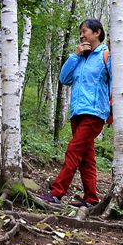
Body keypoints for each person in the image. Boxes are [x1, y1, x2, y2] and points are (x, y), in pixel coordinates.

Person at [39, 19, 111, 208]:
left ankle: (56, 193)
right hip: (77, 113)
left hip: (95, 113)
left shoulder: (106, 55)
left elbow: (116, 80)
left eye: (84, 31)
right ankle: (91, 199)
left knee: (73, 151)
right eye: (80, 32)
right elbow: (64, 78)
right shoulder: (80, 58)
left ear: (97, 32)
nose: (81, 35)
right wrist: (75, 55)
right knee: (87, 159)